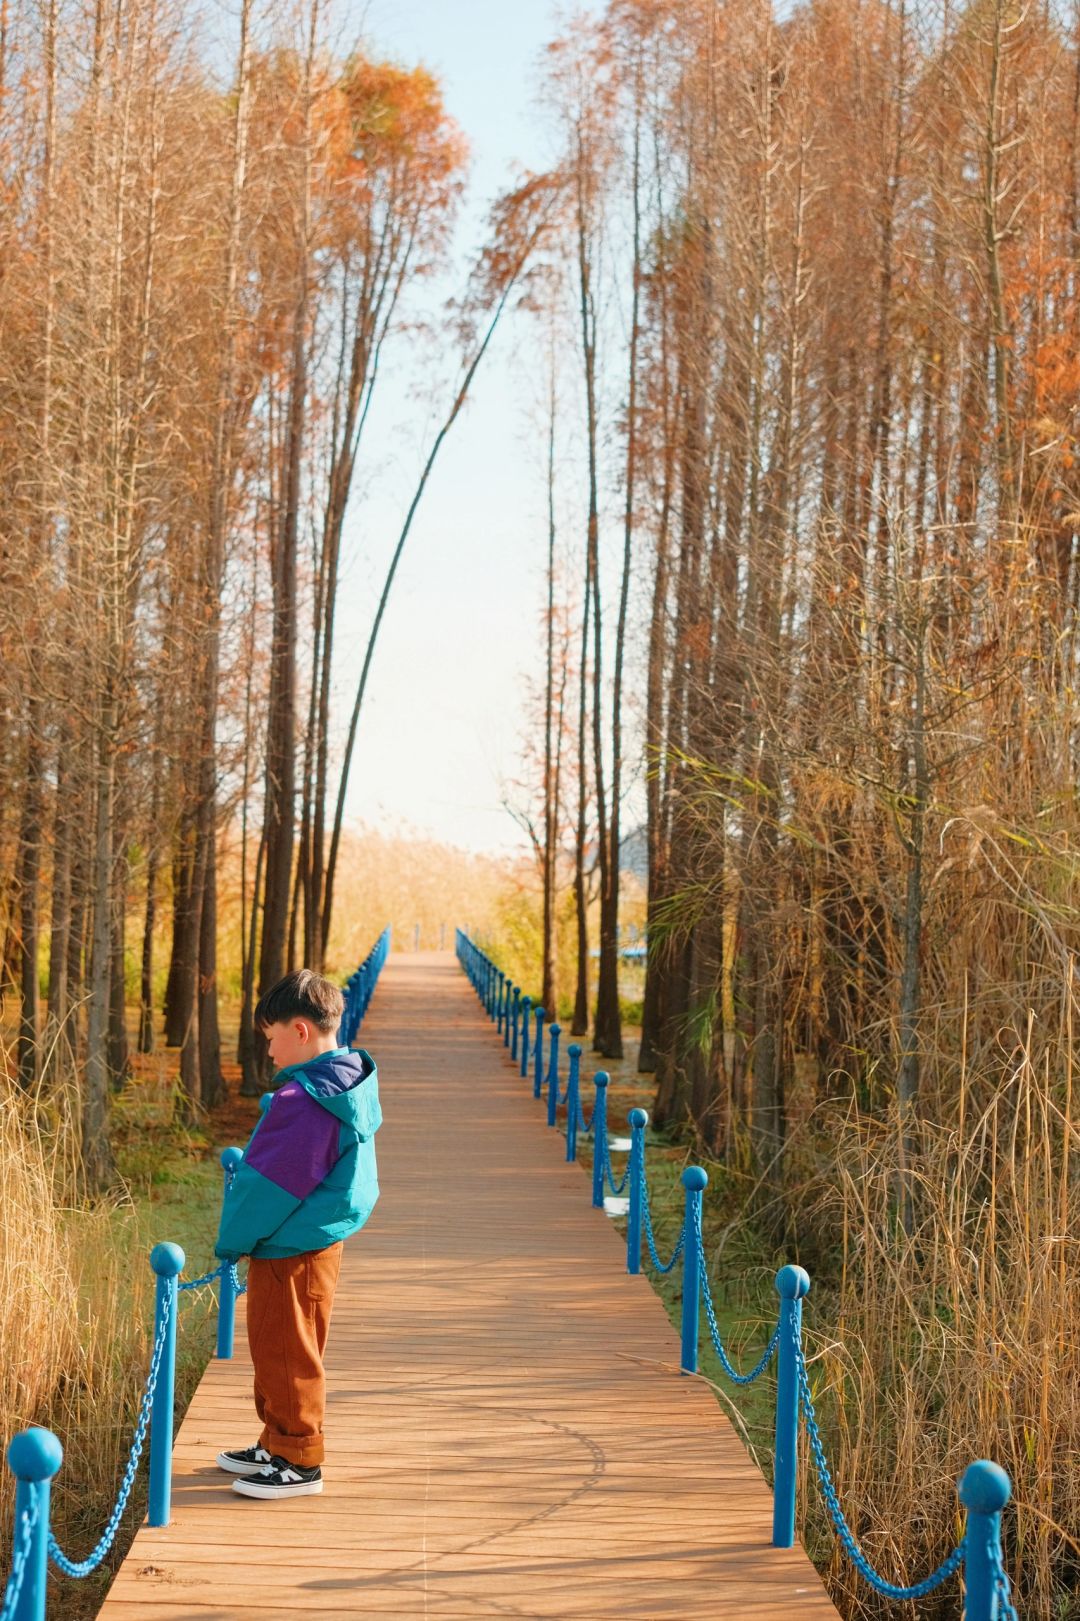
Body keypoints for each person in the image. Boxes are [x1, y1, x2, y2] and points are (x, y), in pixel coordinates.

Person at [213, 968, 382, 1499]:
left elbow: (268, 1187)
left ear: (302, 1031)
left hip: (293, 1241)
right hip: (310, 1237)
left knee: (289, 1349)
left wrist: (232, 1240)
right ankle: (276, 1439)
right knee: (276, 1343)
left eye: (271, 1037)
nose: (268, 1051)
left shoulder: (305, 1102)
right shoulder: (341, 1083)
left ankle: (299, 1457)